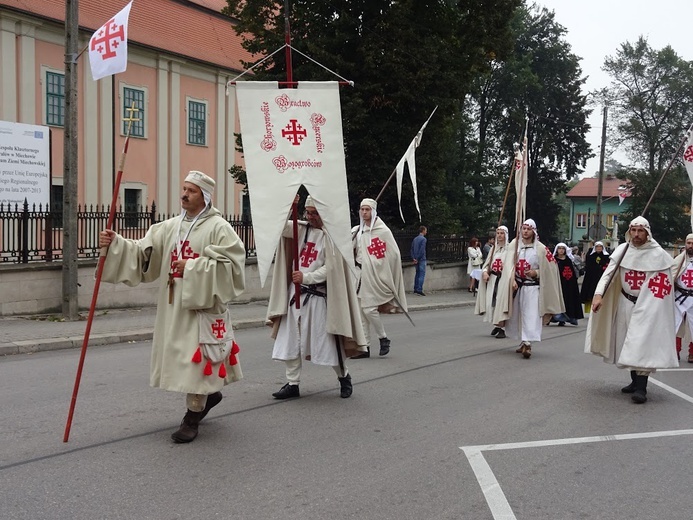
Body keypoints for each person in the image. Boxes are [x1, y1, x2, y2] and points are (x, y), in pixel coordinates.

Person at [99, 171, 246, 443]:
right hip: (173, 307)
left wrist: (191, 267)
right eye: (184, 188)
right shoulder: (169, 227)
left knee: (196, 362)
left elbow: (233, 266)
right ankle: (209, 395)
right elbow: (143, 251)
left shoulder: (219, 228)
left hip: (201, 307)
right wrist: (116, 244)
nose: (184, 194)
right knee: (181, 360)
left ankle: (192, 418)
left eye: (191, 190)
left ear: (205, 197)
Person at [266, 195, 366, 400]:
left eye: (315, 214)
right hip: (295, 294)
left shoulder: (332, 237)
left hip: (318, 296)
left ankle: (343, 377)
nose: (310, 217)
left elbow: (330, 269)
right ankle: (292, 383)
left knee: (327, 341)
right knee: (291, 340)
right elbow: (278, 225)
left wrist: (307, 277)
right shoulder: (300, 229)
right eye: (308, 213)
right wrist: (289, 205)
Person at [585, 216, 678, 404]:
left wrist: (652, 305)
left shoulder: (658, 255)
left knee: (641, 342)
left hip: (649, 304)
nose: (636, 234)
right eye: (633, 230)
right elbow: (608, 275)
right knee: (626, 341)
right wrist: (598, 295)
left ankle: (641, 387)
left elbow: (662, 285)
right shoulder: (622, 251)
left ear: (647, 232)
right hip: (625, 302)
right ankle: (634, 381)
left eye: (640, 231)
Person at [495, 219, 564, 359]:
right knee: (517, 315)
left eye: (528, 229)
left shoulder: (541, 249)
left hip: (532, 288)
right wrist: (512, 279)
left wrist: (536, 273)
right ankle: (522, 341)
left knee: (531, 315)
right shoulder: (514, 246)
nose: (525, 231)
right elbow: (508, 265)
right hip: (516, 287)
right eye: (524, 228)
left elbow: (550, 268)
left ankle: (527, 343)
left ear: (534, 231)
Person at [351, 198, 408, 358]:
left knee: (369, 309)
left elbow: (393, 254)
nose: (364, 212)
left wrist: (377, 263)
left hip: (373, 274)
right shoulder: (357, 230)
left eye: (367, 209)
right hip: (358, 274)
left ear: (373, 211)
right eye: (362, 209)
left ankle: (383, 338)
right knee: (361, 312)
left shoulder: (383, 231)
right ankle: (364, 347)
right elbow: (348, 248)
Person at [474, 226, 509, 338]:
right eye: (497, 233)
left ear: (506, 235)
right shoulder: (493, 249)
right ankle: (497, 325)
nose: (499, 235)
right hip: (493, 279)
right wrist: (485, 272)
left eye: (501, 233)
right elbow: (487, 264)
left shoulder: (510, 249)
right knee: (492, 302)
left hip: (504, 279)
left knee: (501, 303)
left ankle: (502, 328)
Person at [550, 243, 584, 326]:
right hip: (558, 283)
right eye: (559, 248)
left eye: (562, 248)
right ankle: (558, 318)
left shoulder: (569, 260)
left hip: (568, 284)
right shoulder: (554, 260)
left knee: (568, 300)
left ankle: (570, 317)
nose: (561, 250)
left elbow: (572, 272)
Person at [672, 233, 693, 363]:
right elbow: (671, 277)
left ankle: (692, 353)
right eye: (689, 243)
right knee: (676, 324)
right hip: (679, 297)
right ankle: (675, 351)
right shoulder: (678, 261)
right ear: (685, 244)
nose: (691, 246)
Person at [580, 241, 610, 313]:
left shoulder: (606, 256)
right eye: (597, 247)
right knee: (590, 293)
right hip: (591, 277)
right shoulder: (590, 256)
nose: (599, 248)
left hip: (601, 277)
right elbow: (588, 266)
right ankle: (590, 309)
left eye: (600, 247)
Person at [411, 226, 428, 296]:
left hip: (415, 259)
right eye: (426, 230)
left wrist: (414, 258)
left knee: (417, 274)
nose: (426, 232)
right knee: (421, 274)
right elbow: (422, 250)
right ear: (423, 231)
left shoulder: (415, 239)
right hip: (421, 259)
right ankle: (419, 289)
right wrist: (418, 258)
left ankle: (415, 288)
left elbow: (411, 249)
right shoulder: (423, 239)